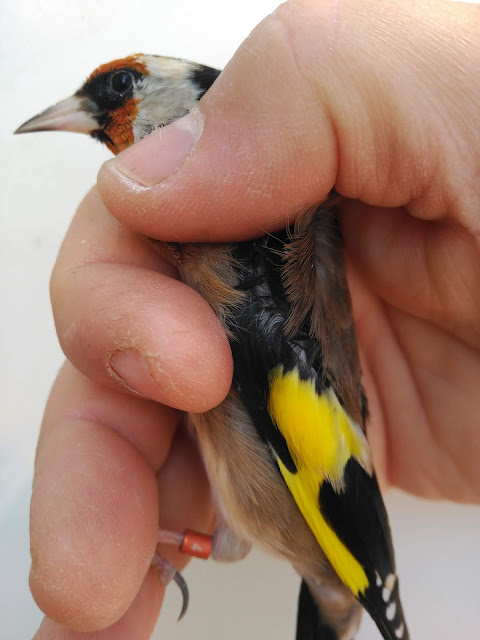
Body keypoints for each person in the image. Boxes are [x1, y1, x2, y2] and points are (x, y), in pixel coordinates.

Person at [30, 0, 480, 637]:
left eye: (121, 89)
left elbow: (313, 433)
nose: (102, 113)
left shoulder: (248, 270)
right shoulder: (249, 244)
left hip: (326, 516)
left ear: (194, 101)